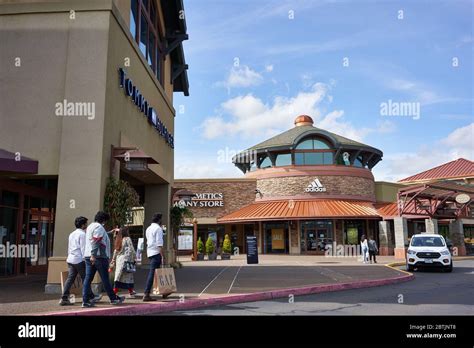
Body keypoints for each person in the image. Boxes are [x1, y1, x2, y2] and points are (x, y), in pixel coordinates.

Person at [82, 211, 125, 308]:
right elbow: (96, 241)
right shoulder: (99, 227)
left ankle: (85, 300)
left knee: (88, 279)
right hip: (99, 257)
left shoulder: (91, 226)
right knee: (105, 279)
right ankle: (113, 298)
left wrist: (110, 232)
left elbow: (98, 237)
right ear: (104, 220)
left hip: (89, 256)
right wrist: (94, 255)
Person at [59, 216, 101, 306]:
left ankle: (64, 298)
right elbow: (83, 249)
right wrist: (86, 260)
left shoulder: (72, 234)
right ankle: (91, 297)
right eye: (86, 223)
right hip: (79, 260)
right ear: (83, 225)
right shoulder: (82, 234)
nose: (87, 225)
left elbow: (69, 247)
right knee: (86, 278)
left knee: (70, 279)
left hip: (71, 259)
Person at [109, 227, 137, 298]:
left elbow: (116, 251)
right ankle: (131, 291)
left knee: (118, 277)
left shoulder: (118, 239)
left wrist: (113, 260)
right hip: (126, 260)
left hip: (119, 260)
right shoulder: (127, 239)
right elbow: (131, 250)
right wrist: (134, 259)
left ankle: (115, 291)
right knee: (128, 276)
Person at [143, 213, 165, 302]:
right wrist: (162, 255)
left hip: (150, 252)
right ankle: (146, 293)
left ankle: (164, 291)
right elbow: (159, 243)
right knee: (153, 273)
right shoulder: (158, 229)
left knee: (157, 274)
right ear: (159, 220)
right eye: (161, 219)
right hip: (156, 253)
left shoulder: (148, 228)